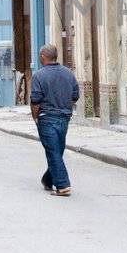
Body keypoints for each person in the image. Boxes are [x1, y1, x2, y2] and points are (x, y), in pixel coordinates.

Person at [30, 44, 80, 196]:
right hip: (64, 117)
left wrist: (36, 118)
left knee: (53, 151)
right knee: (57, 150)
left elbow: (36, 100)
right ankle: (47, 180)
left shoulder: (38, 75)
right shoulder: (68, 73)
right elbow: (75, 96)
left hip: (47, 117)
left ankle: (62, 185)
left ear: (43, 57)